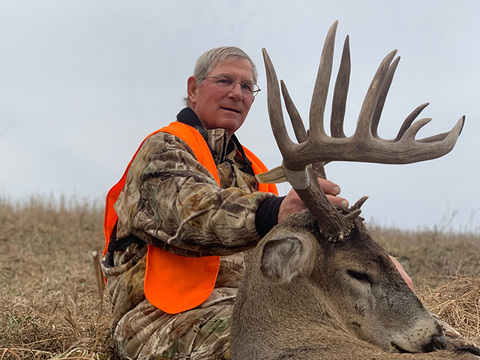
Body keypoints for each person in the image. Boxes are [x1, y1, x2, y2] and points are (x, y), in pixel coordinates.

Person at [101, 46, 413, 360]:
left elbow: (288, 253)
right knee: (298, 348)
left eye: (247, 87)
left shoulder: (254, 169)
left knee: (397, 335)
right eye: (225, 81)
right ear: (193, 89)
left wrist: (377, 265)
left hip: (250, 309)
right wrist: (275, 211)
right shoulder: (164, 149)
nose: (237, 94)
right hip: (161, 319)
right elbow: (192, 215)